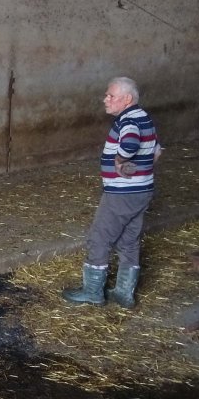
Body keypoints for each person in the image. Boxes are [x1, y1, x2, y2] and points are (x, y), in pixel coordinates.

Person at [62, 77, 161, 309]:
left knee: (99, 238)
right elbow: (157, 151)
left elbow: (130, 145)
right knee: (129, 240)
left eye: (111, 96)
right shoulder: (144, 117)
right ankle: (124, 293)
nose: (105, 99)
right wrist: (141, 168)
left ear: (127, 99)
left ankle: (92, 292)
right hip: (142, 190)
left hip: (122, 194)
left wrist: (119, 161)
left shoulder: (128, 121)